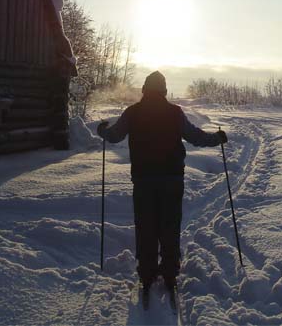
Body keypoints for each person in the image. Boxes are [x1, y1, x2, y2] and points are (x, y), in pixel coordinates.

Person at [97, 71, 227, 293]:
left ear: (145, 89)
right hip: (172, 179)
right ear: (164, 90)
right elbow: (195, 137)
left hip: (143, 179)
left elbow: (115, 136)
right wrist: (217, 138)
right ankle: (169, 271)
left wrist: (102, 130)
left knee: (145, 224)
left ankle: (147, 272)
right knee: (170, 224)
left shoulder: (133, 112)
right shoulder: (175, 113)